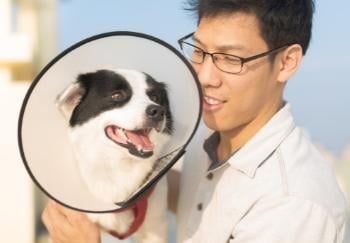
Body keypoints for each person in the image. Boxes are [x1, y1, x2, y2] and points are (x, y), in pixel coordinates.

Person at [42, 0, 347, 242]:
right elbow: (177, 192)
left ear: (286, 62)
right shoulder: (208, 140)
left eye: (231, 59)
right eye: (199, 51)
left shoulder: (291, 206)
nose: (204, 77)